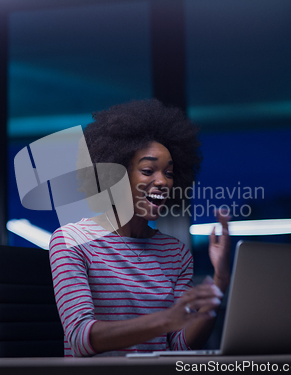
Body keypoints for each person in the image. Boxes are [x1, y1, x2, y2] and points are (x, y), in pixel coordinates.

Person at [49, 99, 231, 357]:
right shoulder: (71, 240)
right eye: (148, 170)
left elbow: (180, 345)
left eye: (169, 173)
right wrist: (166, 319)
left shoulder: (175, 253)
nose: (162, 181)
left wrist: (220, 281)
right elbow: (80, 337)